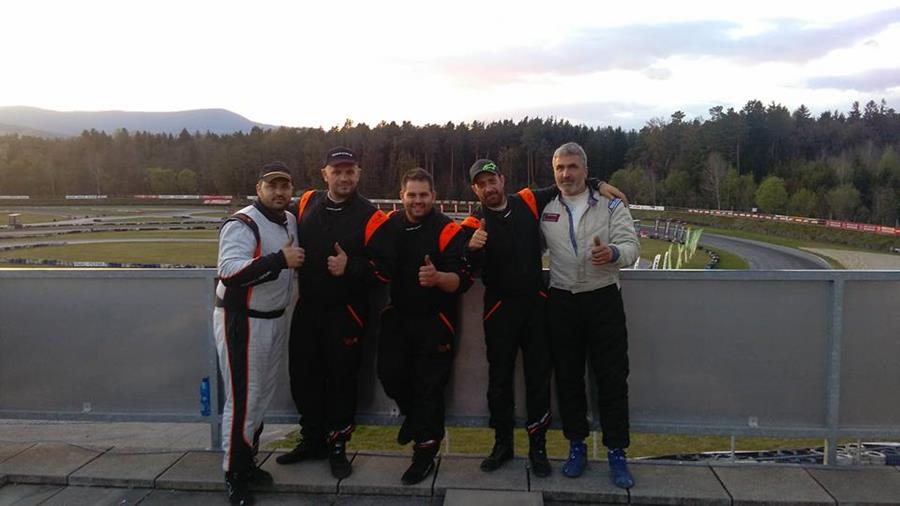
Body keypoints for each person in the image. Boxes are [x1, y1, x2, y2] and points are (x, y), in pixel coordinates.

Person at [460, 159, 627, 478]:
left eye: (492, 180)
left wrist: (598, 183)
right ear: (475, 190)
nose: (489, 187)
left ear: (502, 179)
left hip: (536, 307)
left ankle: (538, 448)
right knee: (499, 380)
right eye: (481, 184)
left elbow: (565, 183)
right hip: (499, 311)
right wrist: (471, 248)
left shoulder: (526, 199)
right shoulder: (473, 222)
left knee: (539, 380)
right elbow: (462, 260)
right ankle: (502, 444)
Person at [276, 147, 393, 480]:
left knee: (342, 380)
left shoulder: (372, 216)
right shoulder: (307, 201)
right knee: (302, 376)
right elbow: (275, 220)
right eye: (337, 171)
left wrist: (351, 265)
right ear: (324, 173)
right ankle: (312, 439)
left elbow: (387, 269)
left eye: (350, 171)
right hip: (307, 308)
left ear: (358, 174)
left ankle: (338, 445)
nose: (344, 177)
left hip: (347, 313)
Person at [539, 142, 639, 489]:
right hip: (562, 301)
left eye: (572, 167)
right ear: (554, 172)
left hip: (603, 299)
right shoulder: (545, 207)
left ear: (585, 169)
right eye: (560, 168)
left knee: (612, 379)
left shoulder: (611, 204)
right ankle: (576, 446)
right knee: (568, 379)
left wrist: (613, 253)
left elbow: (632, 247)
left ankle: (617, 452)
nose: (566, 174)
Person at [214, 161, 305, 505]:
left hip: (274, 317)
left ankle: (247, 462)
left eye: (285, 186)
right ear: (259, 188)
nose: (279, 192)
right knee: (244, 399)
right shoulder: (243, 223)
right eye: (272, 186)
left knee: (262, 394)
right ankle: (234, 473)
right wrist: (278, 260)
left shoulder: (289, 219)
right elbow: (229, 272)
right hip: (243, 320)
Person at [377, 168, 473, 485]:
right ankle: (414, 416)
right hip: (398, 316)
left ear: (433, 196)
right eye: (412, 195)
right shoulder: (390, 224)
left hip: (436, 320)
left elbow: (462, 280)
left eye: (423, 195)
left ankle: (425, 455)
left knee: (429, 389)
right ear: (401, 196)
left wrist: (437, 278)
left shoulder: (447, 229)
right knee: (388, 375)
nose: (417, 201)